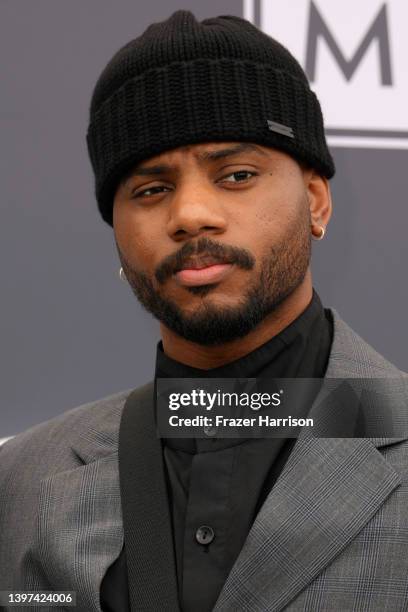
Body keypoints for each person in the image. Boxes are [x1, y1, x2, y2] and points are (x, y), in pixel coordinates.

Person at [1, 9, 408, 612]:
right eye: (150, 190)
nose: (190, 214)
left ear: (316, 200)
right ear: (115, 229)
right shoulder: (23, 479)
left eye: (237, 175)